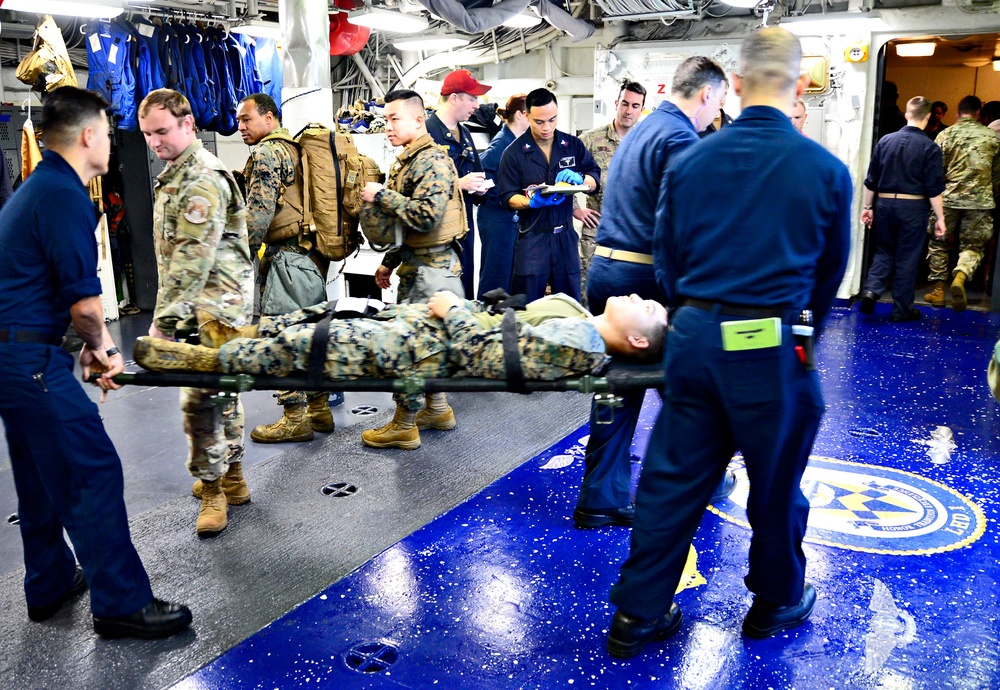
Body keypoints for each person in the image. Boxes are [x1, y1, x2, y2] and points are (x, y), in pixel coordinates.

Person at [606, 27, 852, 659]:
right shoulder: (825, 171)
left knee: (671, 479)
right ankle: (774, 603)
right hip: (772, 347)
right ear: (797, 87)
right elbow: (829, 278)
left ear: (736, 85)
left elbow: (667, 261)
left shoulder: (691, 161)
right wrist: (795, 335)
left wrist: (698, 320)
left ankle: (638, 615)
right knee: (775, 486)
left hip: (694, 341)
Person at [0, 86, 191, 639]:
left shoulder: (38, 189)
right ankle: (121, 603)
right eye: (108, 133)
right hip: (29, 359)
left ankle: (51, 581)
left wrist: (84, 343)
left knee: (39, 472)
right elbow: (86, 304)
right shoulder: (63, 196)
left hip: (18, 354)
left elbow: (51, 290)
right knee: (91, 471)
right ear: (88, 137)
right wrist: (105, 350)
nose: (111, 142)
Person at [574, 56, 729, 530]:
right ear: (706, 94)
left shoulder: (641, 130)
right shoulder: (679, 137)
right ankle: (702, 478)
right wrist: (692, 297)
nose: (715, 112)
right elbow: (676, 227)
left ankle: (601, 496)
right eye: (719, 102)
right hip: (644, 281)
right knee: (692, 382)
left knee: (619, 388)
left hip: (607, 272)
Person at [138, 88, 255, 536]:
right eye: (147, 134)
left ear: (188, 124)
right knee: (221, 392)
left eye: (162, 131)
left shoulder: (201, 177)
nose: (154, 142)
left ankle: (214, 487)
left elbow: (191, 258)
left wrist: (161, 324)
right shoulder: (177, 174)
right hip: (202, 304)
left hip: (211, 308)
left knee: (201, 399)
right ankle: (233, 477)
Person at [132, 292, 667, 386]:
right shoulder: (575, 314)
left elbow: (487, 359)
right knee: (330, 312)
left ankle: (198, 359)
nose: (639, 297)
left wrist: (455, 309)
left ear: (637, 343)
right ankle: (240, 335)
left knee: (315, 345)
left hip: (429, 349)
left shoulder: (579, 348)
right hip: (429, 326)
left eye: (646, 308)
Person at [359, 89, 466, 450]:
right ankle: (436, 408)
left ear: (419, 120)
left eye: (394, 119)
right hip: (422, 264)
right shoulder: (409, 160)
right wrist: (389, 261)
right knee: (430, 345)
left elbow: (426, 215)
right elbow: (410, 227)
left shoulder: (430, 160)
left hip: (431, 270)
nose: (386, 126)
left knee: (412, 348)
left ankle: (404, 424)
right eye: (385, 119)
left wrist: (380, 196)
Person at [235, 92, 334, 444]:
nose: (240, 126)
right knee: (311, 337)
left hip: (285, 263)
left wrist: (236, 259)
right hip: (309, 260)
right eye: (239, 120)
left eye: (247, 119)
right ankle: (319, 408)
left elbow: (258, 218)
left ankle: (295, 417)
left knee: (282, 339)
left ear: (269, 118)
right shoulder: (294, 149)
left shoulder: (265, 153)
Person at [497, 88, 601, 303]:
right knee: (526, 305)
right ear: (526, 116)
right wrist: (532, 202)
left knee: (570, 303)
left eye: (552, 120)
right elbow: (508, 197)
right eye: (539, 122)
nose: (547, 128)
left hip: (565, 237)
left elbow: (594, 178)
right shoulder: (514, 153)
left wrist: (581, 180)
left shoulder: (572, 145)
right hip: (533, 238)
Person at [859, 96, 946, 322]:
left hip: (884, 203)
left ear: (907, 115)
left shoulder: (885, 141)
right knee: (908, 256)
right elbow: (934, 188)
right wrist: (940, 218)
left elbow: (871, 180)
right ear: (928, 117)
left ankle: (871, 290)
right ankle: (901, 309)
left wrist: (868, 207)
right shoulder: (930, 147)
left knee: (884, 250)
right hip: (913, 206)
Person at [924, 95, 1000, 312]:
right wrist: (989, 193)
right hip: (980, 201)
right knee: (973, 246)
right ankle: (960, 276)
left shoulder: (945, 135)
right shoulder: (992, 137)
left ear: (958, 113)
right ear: (979, 114)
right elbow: (996, 175)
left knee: (939, 242)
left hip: (948, 199)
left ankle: (938, 291)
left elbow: (936, 171)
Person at [576, 80, 646, 308]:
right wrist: (575, 207)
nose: (629, 110)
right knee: (588, 295)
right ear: (616, 103)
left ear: (641, 109)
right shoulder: (589, 140)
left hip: (633, 234)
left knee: (630, 297)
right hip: (596, 232)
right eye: (625, 103)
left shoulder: (645, 142)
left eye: (636, 106)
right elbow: (562, 173)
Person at [425, 69, 491, 299]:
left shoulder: (465, 133)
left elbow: (476, 171)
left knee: (464, 293)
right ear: (454, 98)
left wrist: (480, 187)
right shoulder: (426, 133)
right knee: (440, 296)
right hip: (437, 233)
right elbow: (418, 189)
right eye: (472, 98)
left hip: (464, 228)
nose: (476, 105)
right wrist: (458, 184)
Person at [477, 94, 528, 296]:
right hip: (497, 216)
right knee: (496, 276)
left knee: (508, 274)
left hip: (508, 216)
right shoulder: (502, 144)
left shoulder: (516, 141)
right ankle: (486, 319)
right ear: (521, 115)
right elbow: (479, 167)